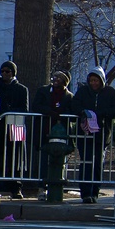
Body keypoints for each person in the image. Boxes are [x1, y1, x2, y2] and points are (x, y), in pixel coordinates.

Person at [71, 66, 115, 203]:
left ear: (102, 80)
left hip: (102, 134)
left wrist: (102, 113)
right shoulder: (82, 92)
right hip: (85, 134)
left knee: (98, 163)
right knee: (86, 162)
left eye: (96, 80)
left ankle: (95, 191)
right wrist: (83, 112)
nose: (94, 83)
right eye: (92, 80)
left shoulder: (110, 92)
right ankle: (86, 192)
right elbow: (74, 106)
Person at [30, 71, 73, 200]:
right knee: (43, 161)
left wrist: (61, 114)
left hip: (61, 133)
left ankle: (57, 187)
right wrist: (49, 112)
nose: (56, 80)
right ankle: (42, 188)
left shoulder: (69, 96)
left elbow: (72, 111)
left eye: (60, 78)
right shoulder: (43, 91)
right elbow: (36, 106)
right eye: (55, 77)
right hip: (45, 131)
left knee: (59, 161)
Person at [0, 61, 30, 198]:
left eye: (8, 71)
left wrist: (7, 111)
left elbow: (24, 109)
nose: (5, 74)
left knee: (16, 156)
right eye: (2, 71)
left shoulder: (21, 89)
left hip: (16, 125)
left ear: (13, 73)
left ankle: (16, 186)